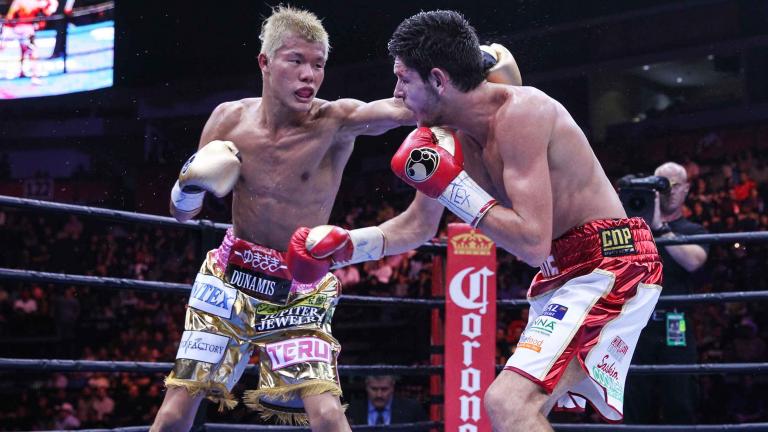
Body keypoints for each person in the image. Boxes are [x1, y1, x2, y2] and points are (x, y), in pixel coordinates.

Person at [287, 10, 663, 430]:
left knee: (507, 403)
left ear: (438, 80)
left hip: (611, 264)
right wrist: (348, 248)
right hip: (562, 274)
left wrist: (452, 188)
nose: (396, 93)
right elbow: (417, 226)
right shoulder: (444, 138)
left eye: (404, 79)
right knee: (518, 408)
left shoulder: (523, 113)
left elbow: (531, 243)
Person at [151, 6, 519, 431]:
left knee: (326, 415)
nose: (310, 74)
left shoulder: (337, 121)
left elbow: (406, 108)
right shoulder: (226, 120)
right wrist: (188, 186)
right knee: (175, 412)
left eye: (319, 64)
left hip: (299, 285)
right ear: (265, 63)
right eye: (297, 61)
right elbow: (183, 214)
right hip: (228, 278)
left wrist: (474, 67)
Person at [625, 162, 708, 424]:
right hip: (637, 323)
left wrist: (660, 227)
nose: (667, 190)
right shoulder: (635, 229)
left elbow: (694, 261)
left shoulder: (693, 230)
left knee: (680, 397)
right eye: (661, 184)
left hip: (675, 323)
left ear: (686, 189)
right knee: (635, 399)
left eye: (673, 184)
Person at [5, 0, 58, 83]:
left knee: (23, 51)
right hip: (28, 30)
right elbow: (47, 13)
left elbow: (10, 17)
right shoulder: (34, 2)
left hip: (19, 29)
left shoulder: (19, 2)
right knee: (33, 53)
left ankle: (21, 72)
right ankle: (35, 76)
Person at [347, 375, 427, 425]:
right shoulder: (352, 410)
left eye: (384, 389)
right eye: (374, 389)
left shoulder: (412, 409)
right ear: (366, 387)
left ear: (392, 387)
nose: (379, 394)